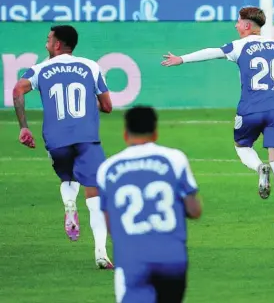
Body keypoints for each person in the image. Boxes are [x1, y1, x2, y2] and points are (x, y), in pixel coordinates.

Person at [161, 6, 274, 222]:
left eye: (238, 21)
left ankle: (259, 167)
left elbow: (211, 52)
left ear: (246, 25)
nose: (235, 25)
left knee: (242, 147)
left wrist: (182, 59)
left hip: (249, 110)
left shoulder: (239, 46)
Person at [12, 25, 114, 269]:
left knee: (68, 176)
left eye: (48, 40)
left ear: (57, 45)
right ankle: (101, 252)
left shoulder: (39, 68)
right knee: (95, 193)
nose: (45, 44)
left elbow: (17, 90)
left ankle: (69, 206)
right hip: (87, 137)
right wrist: (90, 106)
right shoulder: (91, 66)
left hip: (55, 140)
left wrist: (24, 127)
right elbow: (108, 106)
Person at [97, 106, 202, 303]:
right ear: (155, 132)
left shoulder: (107, 169)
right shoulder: (174, 159)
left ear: (125, 134)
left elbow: (110, 223)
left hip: (133, 259)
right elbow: (194, 211)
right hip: (172, 259)